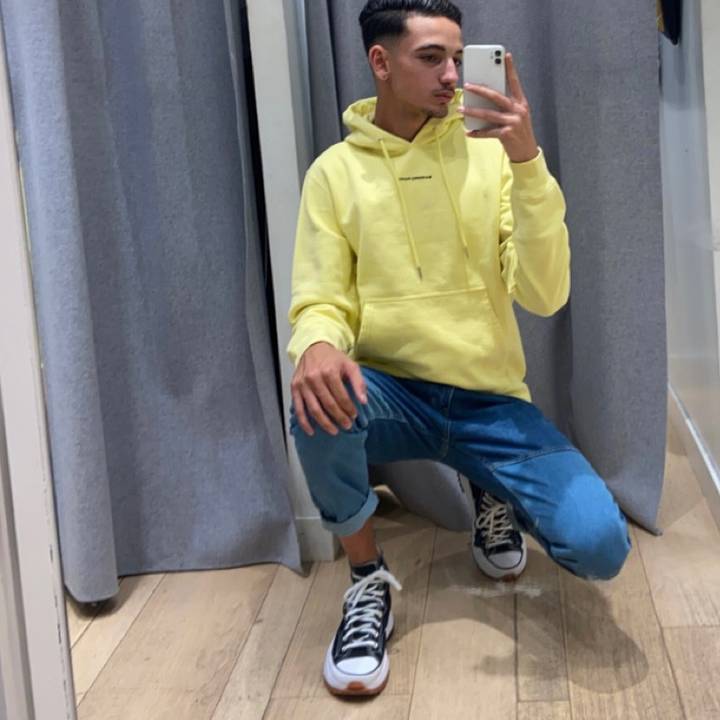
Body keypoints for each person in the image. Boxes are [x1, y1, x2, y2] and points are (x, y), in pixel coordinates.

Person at [287, 0, 631, 697]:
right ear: (381, 62)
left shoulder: (493, 158)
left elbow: (544, 294)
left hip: (489, 400)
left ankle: (487, 487)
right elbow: (320, 296)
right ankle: (367, 578)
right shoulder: (334, 173)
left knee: (601, 545)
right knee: (315, 397)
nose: (452, 75)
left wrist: (527, 163)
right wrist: (317, 343)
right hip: (391, 394)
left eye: (458, 56)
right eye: (430, 58)